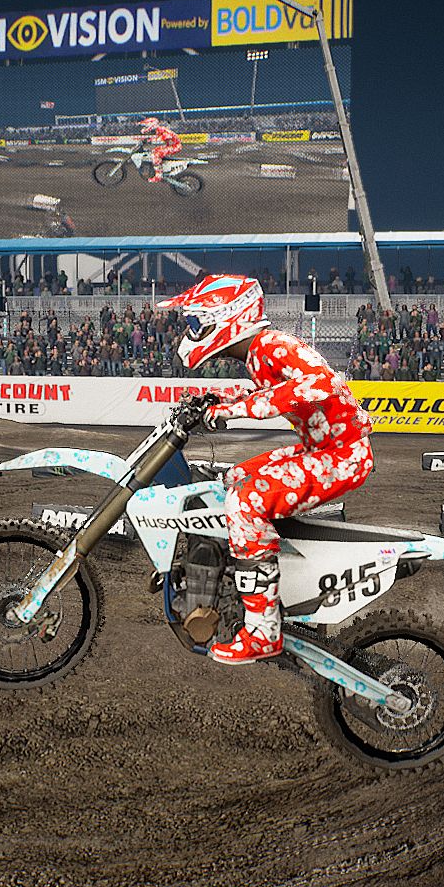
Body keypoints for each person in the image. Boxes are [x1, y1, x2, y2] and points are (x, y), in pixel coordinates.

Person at [159, 274, 373, 664]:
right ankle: (245, 577)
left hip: (341, 456)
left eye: (196, 322)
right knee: (233, 479)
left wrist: (237, 410)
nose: (192, 330)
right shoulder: (259, 353)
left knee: (244, 501)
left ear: (226, 317)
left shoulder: (273, 345)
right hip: (322, 450)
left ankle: (263, 631)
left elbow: (322, 384)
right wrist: (214, 400)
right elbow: (264, 391)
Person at [137, 116, 181, 183]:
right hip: (171, 146)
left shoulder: (162, 129)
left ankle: (158, 175)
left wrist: (150, 141)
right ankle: (162, 167)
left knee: (155, 155)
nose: (145, 128)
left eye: (146, 126)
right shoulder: (158, 130)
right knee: (154, 150)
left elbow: (165, 138)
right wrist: (148, 140)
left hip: (175, 146)